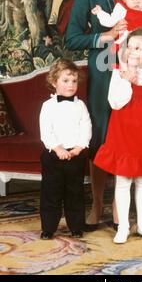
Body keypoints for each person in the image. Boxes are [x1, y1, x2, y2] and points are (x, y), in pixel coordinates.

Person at [65, 0, 142, 230]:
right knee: (103, 139)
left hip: (139, 78)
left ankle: (121, 208)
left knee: (131, 138)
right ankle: (97, 204)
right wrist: (106, 35)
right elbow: (72, 37)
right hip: (104, 75)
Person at [93, 27, 142, 244]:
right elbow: (116, 102)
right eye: (129, 47)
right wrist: (127, 80)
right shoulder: (119, 73)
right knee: (122, 182)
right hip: (123, 134)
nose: (131, 51)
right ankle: (123, 227)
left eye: (138, 47)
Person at [39, 59, 92, 239]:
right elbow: (46, 131)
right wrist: (57, 148)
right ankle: (48, 228)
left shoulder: (80, 105)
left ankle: (76, 227)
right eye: (66, 81)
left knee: (75, 193)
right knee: (50, 193)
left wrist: (79, 147)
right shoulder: (47, 107)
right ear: (54, 82)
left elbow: (86, 127)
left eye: (74, 81)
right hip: (53, 155)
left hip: (75, 156)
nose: (71, 85)